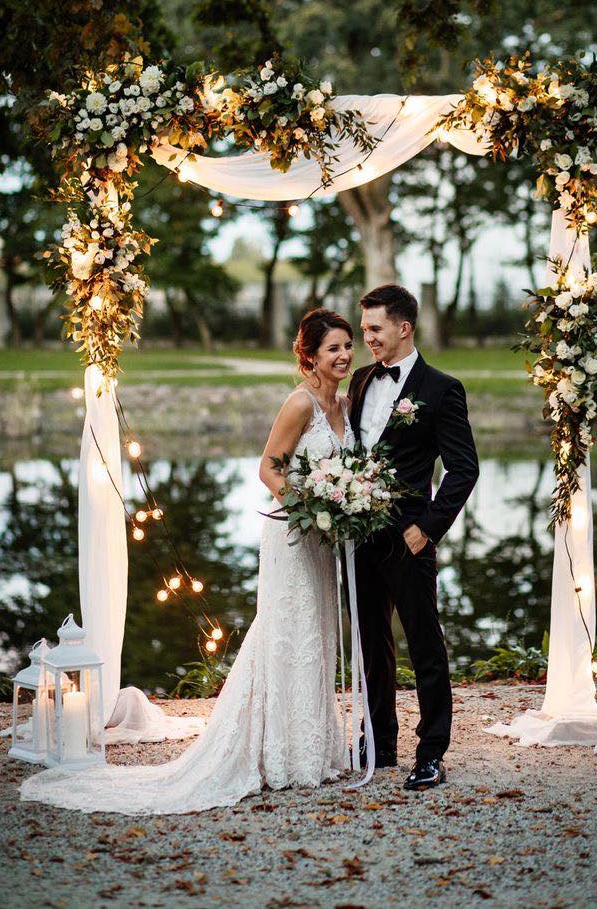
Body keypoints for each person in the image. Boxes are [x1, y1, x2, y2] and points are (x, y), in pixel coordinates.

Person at [20, 309, 355, 814]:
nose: (345, 355)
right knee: (288, 630)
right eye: (333, 348)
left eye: (348, 345)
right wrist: (312, 509)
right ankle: (281, 754)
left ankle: (313, 746)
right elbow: (269, 468)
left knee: (316, 633)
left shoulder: (344, 405)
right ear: (309, 355)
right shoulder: (299, 403)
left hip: (323, 538)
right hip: (293, 530)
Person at [348, 283, 479, 791]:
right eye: (364, 331)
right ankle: (379, 741)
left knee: (425, 644)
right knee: (370, 643)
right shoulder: (360, 380)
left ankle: (431, 753)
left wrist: (427, 528)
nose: (368, 340)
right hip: (359, 536)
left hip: (410, 538)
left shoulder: (442, 389)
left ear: (404, 328)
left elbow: (463, 470)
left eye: (375, 329)